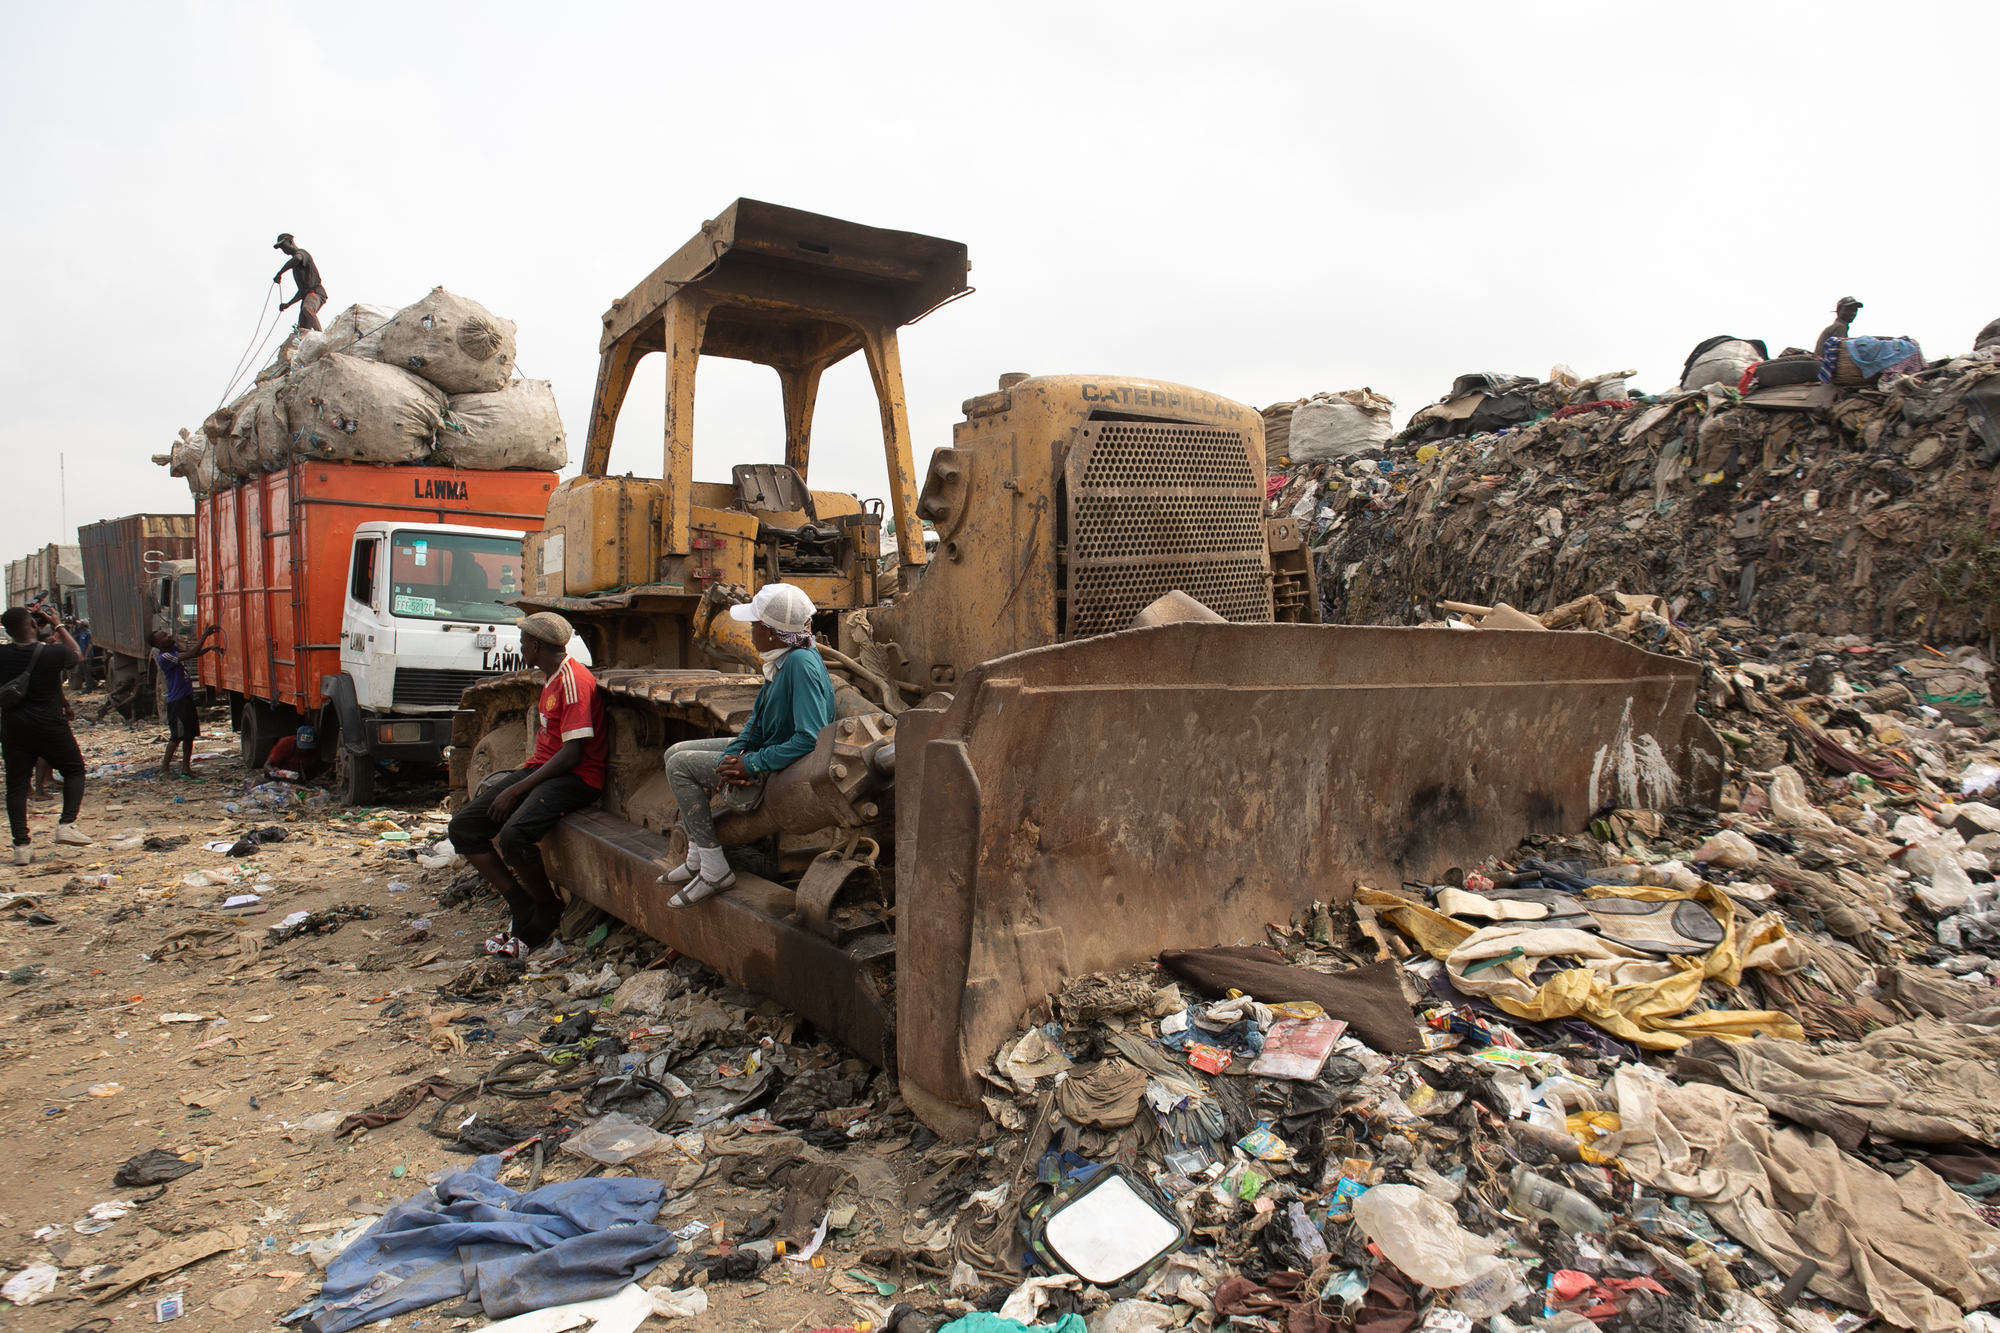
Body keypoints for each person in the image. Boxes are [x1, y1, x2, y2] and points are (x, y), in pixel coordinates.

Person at [658, 583, 834, 908]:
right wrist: (732, 756)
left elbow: (810, 738)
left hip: (782, 767)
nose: (750, 630)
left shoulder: (798, 665)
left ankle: (714, 868)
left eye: (754, 624)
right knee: (675, 752)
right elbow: (755, 721)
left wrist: (750, 765)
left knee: (678, 767)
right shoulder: (781, 658)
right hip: (767, 751)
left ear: (771, 632)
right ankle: (697, 855)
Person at [447, 613, 606, 957]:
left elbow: (573, 753)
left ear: (535, 646)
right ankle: (521, 905)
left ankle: (546, 908)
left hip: (576, 777)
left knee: (514, 835)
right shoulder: (552, 676)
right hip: (546, 768)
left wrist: (517, 789)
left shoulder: (572, 681)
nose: (520, 648)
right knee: (463, 828)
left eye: (523, 642)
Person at [1, 605, 89, 865]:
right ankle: (66, 825)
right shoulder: (53, 653)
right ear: (34, 625)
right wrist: (59, 624)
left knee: (16, 786)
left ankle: (21, 847)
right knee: (74, 771)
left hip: (13, 727)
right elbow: (78, 655)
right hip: (50, 725)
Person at [153, 625, 221, 776]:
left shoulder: (173, 648)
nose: (168, 636)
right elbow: (192, 653)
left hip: (185, 698)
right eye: (164, 636)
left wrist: (210, 648)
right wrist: (205, 635)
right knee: (177, 736)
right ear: (159, 644)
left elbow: (195, 654)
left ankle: (186, 768)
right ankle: (164, 769)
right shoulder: (165, 657)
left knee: (189, 735)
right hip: (177, 701)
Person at [272, 233, 328, 333]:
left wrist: (279, 273)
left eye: (284, 246)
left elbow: (297, 258)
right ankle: (308, 345)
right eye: (281, 249)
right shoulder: (296, 268)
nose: (284, 250)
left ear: (290, 242)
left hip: (316, 292)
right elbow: (302, 291)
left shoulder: (301, 253)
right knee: (303, 329)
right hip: (307, 295)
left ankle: (321, 336)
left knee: (307, 309)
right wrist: (288, 304)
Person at [70, 620, 92, 691]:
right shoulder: (81, 634)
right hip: (82, 656)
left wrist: (86, 656)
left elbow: (90, 645)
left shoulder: (88, 634)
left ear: (83, 625)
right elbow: (71, 638)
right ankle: (92, 682)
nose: (78, 626)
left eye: (79, 624)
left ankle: (88, 688)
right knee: (79, 671)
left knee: (86, 672)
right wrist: (70, 628)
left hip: (87, 656)